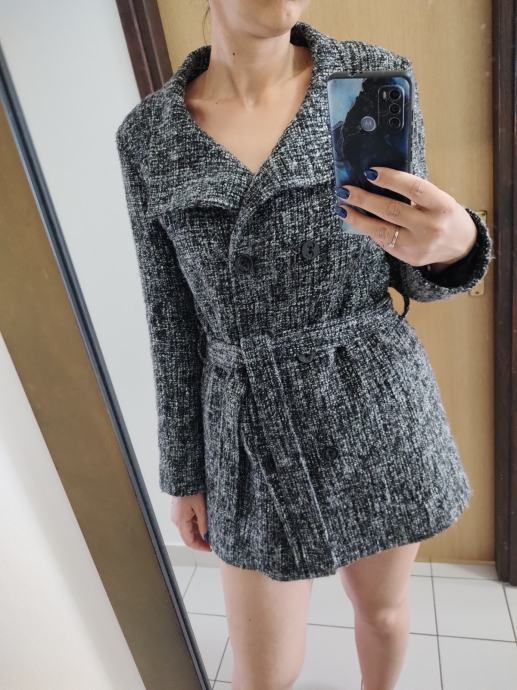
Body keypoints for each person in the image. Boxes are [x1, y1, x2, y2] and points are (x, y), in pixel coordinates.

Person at [115, 2, 494, 688]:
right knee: (262, 673)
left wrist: (458, 243)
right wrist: (186, 472)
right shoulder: (150, 136)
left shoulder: (368, 79)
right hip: (246, 425)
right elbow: (169, 319)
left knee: (382, 613)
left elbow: (409, 262)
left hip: (370, 401)